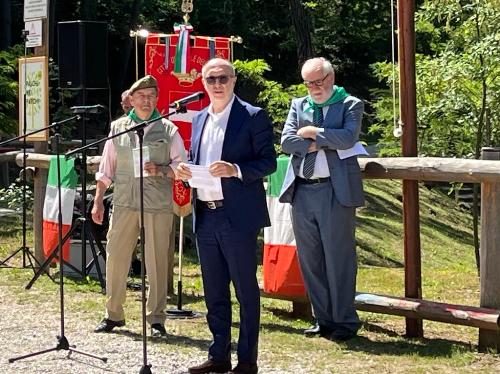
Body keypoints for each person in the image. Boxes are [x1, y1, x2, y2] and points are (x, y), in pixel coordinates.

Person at [177, 58, 276, 374]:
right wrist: (185, 170)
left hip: (237, 216)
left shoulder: (252, 116)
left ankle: (247, 361)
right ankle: (218, 355)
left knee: (245, 290)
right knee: (214, 290)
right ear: (203, 83)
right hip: (205, 215)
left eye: (223, 78)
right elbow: (197, 160)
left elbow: (268, 162)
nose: (217, 84)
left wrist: (235, 170)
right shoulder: (199, 117)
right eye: (210, 79)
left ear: (233, 80)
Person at [92, 75, 186, 337]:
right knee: (116, 257)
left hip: (157, 204)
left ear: (157, 99)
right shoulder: (118, 128)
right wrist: (98, 200)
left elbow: (183, 167)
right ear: (130, 99)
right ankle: (113, 314)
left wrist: (162, 169)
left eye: (151, 96)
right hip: (124, 202)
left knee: (156, 261)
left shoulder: (168, 130)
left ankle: (156, 319)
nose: (146, 101)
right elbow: (106, 168)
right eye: (141, 96)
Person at [280, 57, 365, 341]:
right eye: (308, 83)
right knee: (311, 259)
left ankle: (345, 320)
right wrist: (320, 142)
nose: (314, 88)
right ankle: (323, 319)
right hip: (302, 190)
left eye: (318, 81)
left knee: (338, 257)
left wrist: (314, 134)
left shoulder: (350, 103)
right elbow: (286, 142)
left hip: (334, 190)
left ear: (331, 77)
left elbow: (348, 138)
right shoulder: (298, 105)